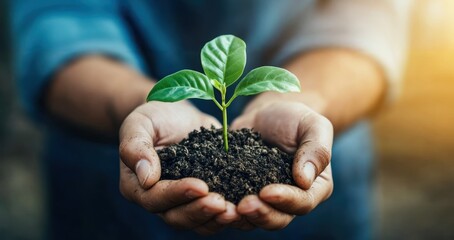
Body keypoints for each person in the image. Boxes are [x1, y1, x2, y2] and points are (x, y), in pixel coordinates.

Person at [11, 0, 410, 239]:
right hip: (106, 182)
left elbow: (366, 19)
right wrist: (137, 108)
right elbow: (55, 24)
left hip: (315, 202)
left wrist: (304, 101)